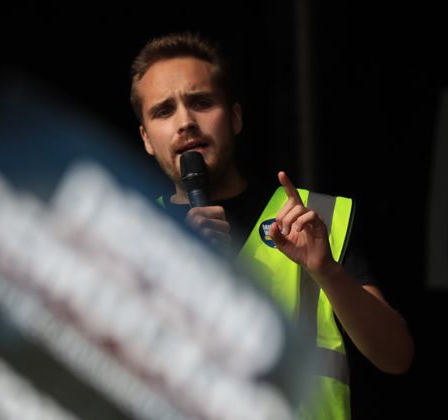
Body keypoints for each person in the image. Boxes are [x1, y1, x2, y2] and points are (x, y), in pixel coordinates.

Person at [129, 31, 414, 419]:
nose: (185, 123)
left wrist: (326, 271)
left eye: (201, 102)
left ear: (234, 117)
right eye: (164, 111)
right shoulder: (131, 230)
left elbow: (397, 357)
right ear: (146, 139)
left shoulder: (314, 216)